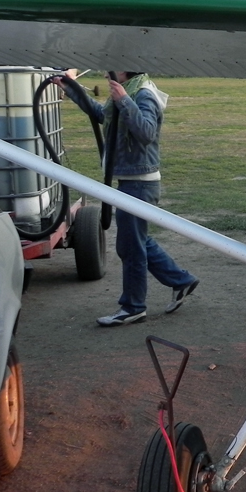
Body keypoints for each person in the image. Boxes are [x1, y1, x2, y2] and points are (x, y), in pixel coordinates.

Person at [54, 72, 199, 326]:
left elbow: (147, 132)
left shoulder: (142, 93)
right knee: (137, 240)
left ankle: (133, 307)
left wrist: (124, 100)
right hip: (130, 181)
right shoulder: (128, 89)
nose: (110, 69)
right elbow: (102, 115)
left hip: (140, 183)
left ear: (127, 67)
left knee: (130, 246)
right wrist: (71, 88)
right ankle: (181, 280)